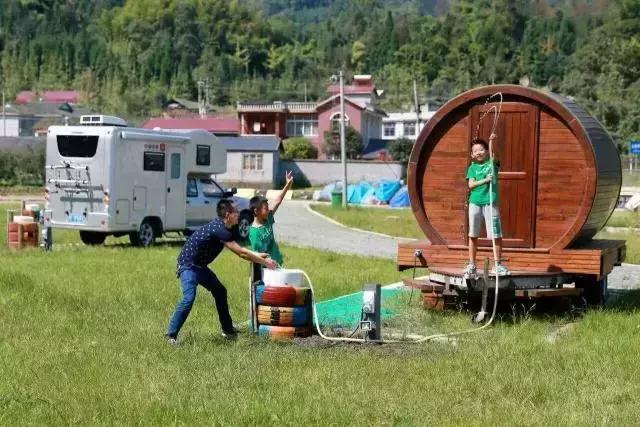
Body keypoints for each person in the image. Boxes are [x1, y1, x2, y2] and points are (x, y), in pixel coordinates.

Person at [166, 199, 277, 344]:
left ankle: (228, 330)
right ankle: (170, 336)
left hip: (200, 267)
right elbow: (241, 253)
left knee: (220, 291)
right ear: (228, 215)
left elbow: (242, 249)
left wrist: (258, 256)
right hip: (188, 266)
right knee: (189, 298)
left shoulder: (227, 228)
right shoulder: (220, 230)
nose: (239, 214)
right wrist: (265, 262)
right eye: (236, 212)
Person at [463, 133, 510, 277]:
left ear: (486, 151)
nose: (478, 153)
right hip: (475, 202)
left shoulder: (492, 164)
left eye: (481, 150)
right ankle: (472, 264)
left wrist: (492, 142)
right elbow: (471, 185)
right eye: (475, 151)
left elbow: (497, 154)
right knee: (473, 234)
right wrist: (484, 180)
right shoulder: (472, 168)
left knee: (496, 234)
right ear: (472, 155)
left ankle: (497, 265)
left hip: (491, 202)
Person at [248, 170, 294, 267]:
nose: (269, 210)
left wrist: (287, 185)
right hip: (265, 269)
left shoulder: (267, 218)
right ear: (256, 211)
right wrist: (268, 263)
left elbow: (277, 201)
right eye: (266, 208)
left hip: (277, 263)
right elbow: (256, 256)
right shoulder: (254, 232)